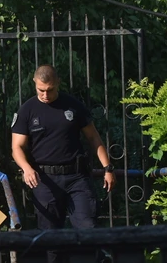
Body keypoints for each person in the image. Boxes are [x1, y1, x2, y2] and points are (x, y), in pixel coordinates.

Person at [12, 65, 115, 263]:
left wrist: (107, 168)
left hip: (76, 178)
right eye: (41, 90)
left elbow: (94, 138)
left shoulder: (73, 105)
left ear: (57, 83)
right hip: (44, 180)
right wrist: (26, 168)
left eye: (49, 89)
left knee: (88, 229)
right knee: (50, 239)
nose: (45, 94)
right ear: (35, 84)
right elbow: (17, 147)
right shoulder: (27, 110)